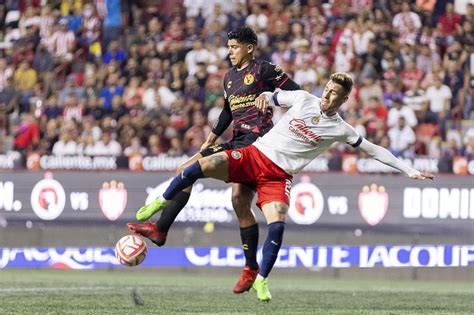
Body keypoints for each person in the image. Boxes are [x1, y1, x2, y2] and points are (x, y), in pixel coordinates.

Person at [135, 73, 434, 301]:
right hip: (256, 155)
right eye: (327, 90)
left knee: (277, 220)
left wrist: (409, 170)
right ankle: (161, 203)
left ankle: (262, 278)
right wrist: (266, 96)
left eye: (334, 95)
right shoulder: (303, 98)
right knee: (202, 166)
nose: (327, 96)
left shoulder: (341, 128)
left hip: (278, 176)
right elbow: (272, 95)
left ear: (344, 101)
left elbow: (374, 150)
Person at [127, 26, 300, 294]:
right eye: (228, 47)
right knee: (239, 202)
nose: (229, 52)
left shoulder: (265, 70)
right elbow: (228, 110)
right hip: (239, 141)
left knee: (190, 169)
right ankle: (250, 268)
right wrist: (209, 139)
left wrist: (273, 99)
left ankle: (160, 228)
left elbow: (297, 95)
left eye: (234, 47)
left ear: (249, 48)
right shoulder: (230, 77)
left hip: (260, 145)